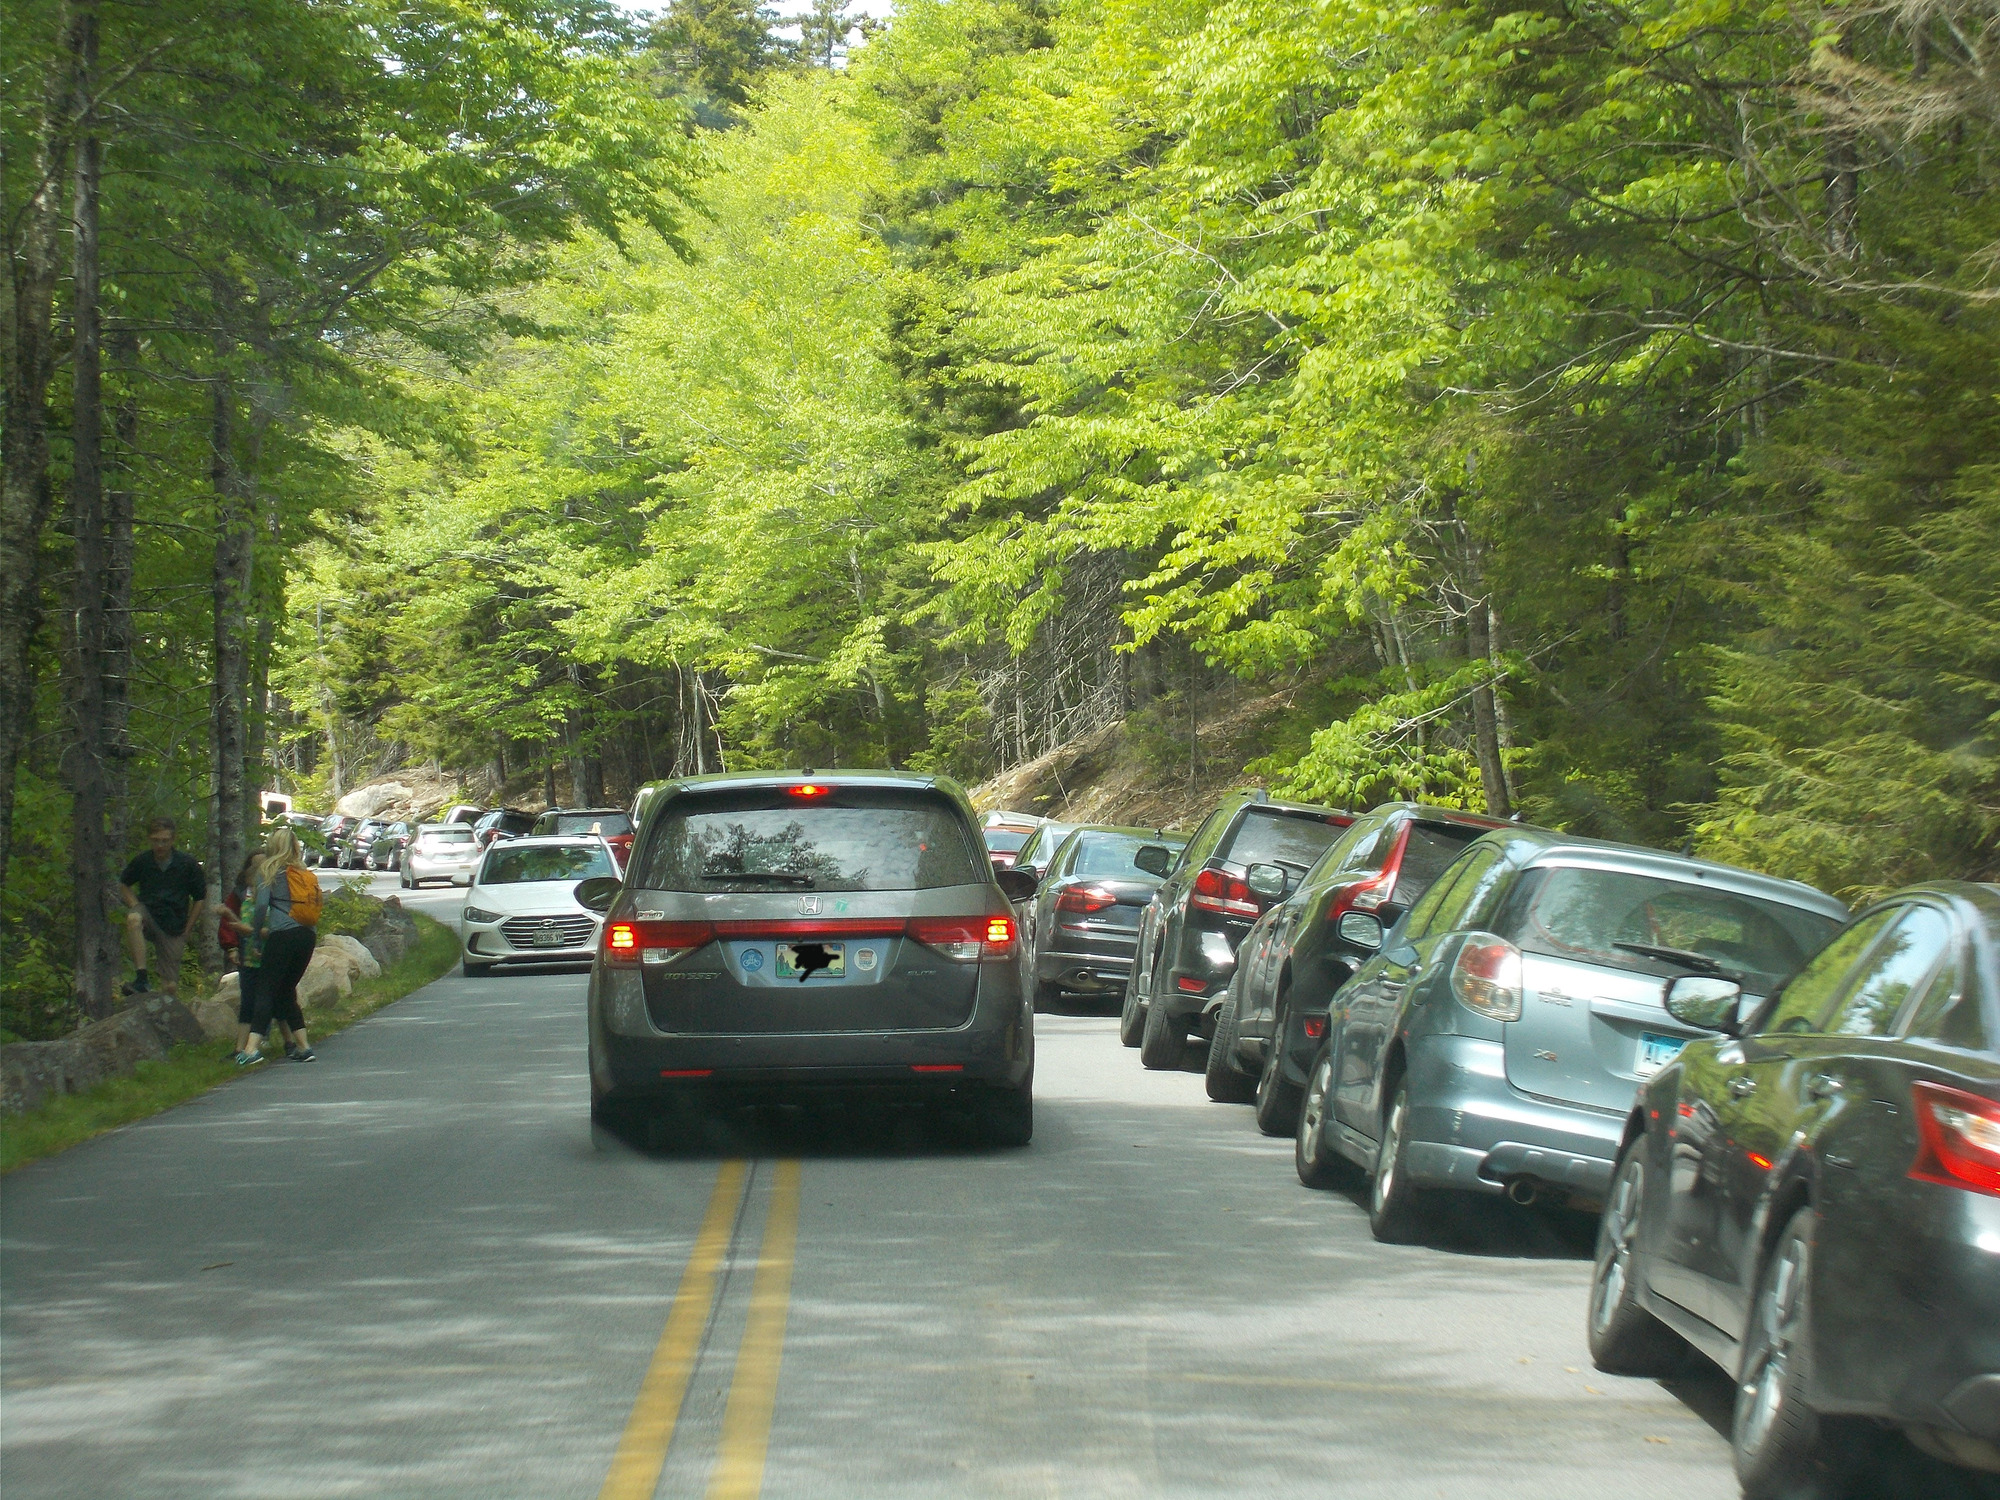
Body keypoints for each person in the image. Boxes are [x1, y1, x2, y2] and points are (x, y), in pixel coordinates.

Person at [237, 827, 319, 1067]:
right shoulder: (305, 873)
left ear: (273, 846)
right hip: (307, 937)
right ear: (295, 847)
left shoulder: (269, 870)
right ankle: (303, 1046)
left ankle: (251, 1049)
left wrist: (255, 935)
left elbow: (261, 907)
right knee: (285, 990)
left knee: (266, 989)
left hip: (282, 935)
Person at [119, 816, 206, 998]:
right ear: (150, 839)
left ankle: (167, 1018)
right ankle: (141, 977)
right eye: (156, 840)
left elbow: (199, 898)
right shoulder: (143, 861)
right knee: (133, 918)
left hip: (174, 925)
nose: (160, 845)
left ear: (172, 840)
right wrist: (134, 904)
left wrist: (188, 929)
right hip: (148, 913)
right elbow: (124, 884)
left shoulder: (187, 864)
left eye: (165, 841)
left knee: (170, 987)